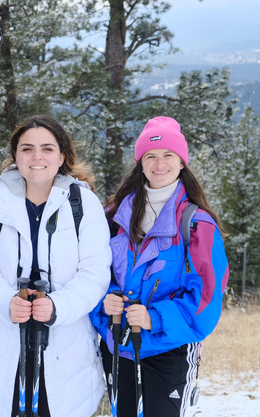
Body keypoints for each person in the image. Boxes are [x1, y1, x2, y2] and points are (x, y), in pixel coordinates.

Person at [0, 115, 112, 417]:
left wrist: (59, 306)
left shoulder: (82, 204)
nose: (37, 157)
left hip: (65, 347)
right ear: (15, 155)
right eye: (27, 148)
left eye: (47, 148)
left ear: (62, 156)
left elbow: (96, 271)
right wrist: (4, 302)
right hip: (3, 345)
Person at [89, 116, 229, 417]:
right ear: (140, 163)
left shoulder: (196, 225)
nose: (159, 163)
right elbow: (92, 272)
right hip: (119, 344)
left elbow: (206, 299)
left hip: (169, 349)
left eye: (168, 155)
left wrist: (155, 318)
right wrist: (105, 301)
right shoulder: (112, 217)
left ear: (182, 163)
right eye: (150, 155)